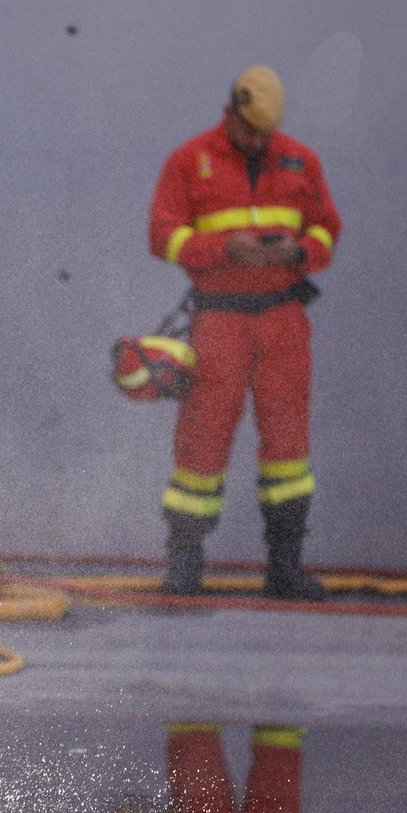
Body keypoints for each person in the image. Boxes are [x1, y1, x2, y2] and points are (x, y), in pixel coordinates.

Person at [148, 66, 342, 599]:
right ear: (231, 109)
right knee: (201, 443)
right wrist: (221, 250)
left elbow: (327, 227)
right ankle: (184, 563)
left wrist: (300, 252)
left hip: (283, 318)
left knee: (288, 448)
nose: (258, 141)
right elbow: (161, 235)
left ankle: (285, 567)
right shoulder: (190, 161)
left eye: (266, 133)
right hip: (220, 319)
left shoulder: (301, 160)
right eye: (250, 130)